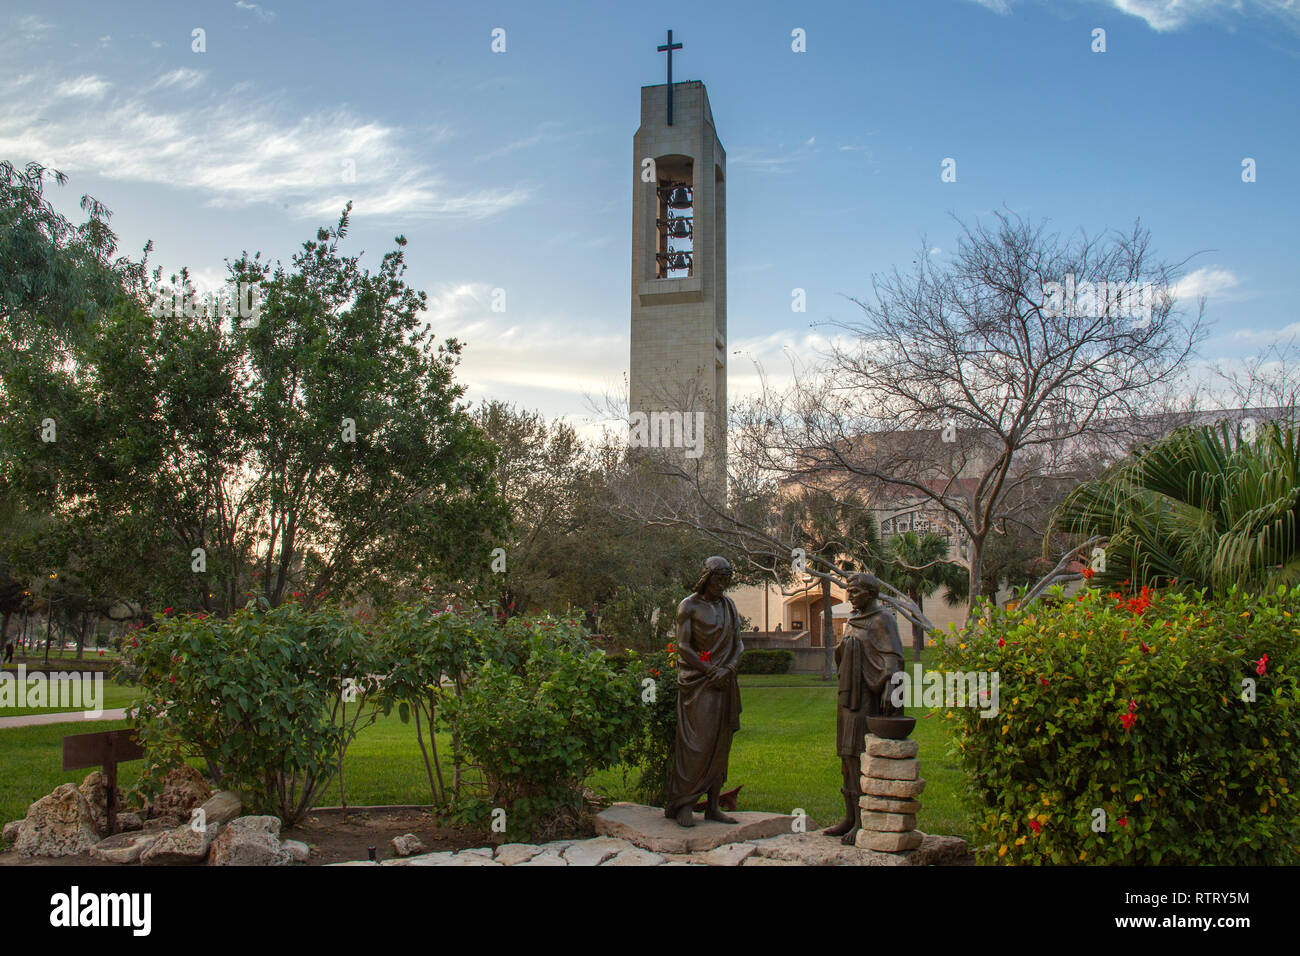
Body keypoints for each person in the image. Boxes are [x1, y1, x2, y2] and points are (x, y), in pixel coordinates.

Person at [823, 572, 905, 845]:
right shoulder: (854, 620)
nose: (850, 596)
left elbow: (893, 657)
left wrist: (892, 688)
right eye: (848, 591)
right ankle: (849, 816)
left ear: (871, 593)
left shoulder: (883, 620)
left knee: (859, 754)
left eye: (855, 592)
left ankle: (863, 820)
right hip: (848, 695)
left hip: (867, 696)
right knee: (846, 756)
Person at [664, 556, 743, 827]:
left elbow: (739, 645)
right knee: (696, 745)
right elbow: (683, 646)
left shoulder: (729, 606)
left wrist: (728, 669)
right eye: (718, 579)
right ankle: (684, 803)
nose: (723, 585)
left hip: (725, 683)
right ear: (706, 577)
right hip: (699, 683)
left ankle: (713, 805)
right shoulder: (688, 606)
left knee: (721, 744)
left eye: (726, 580)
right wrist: (710, 671)